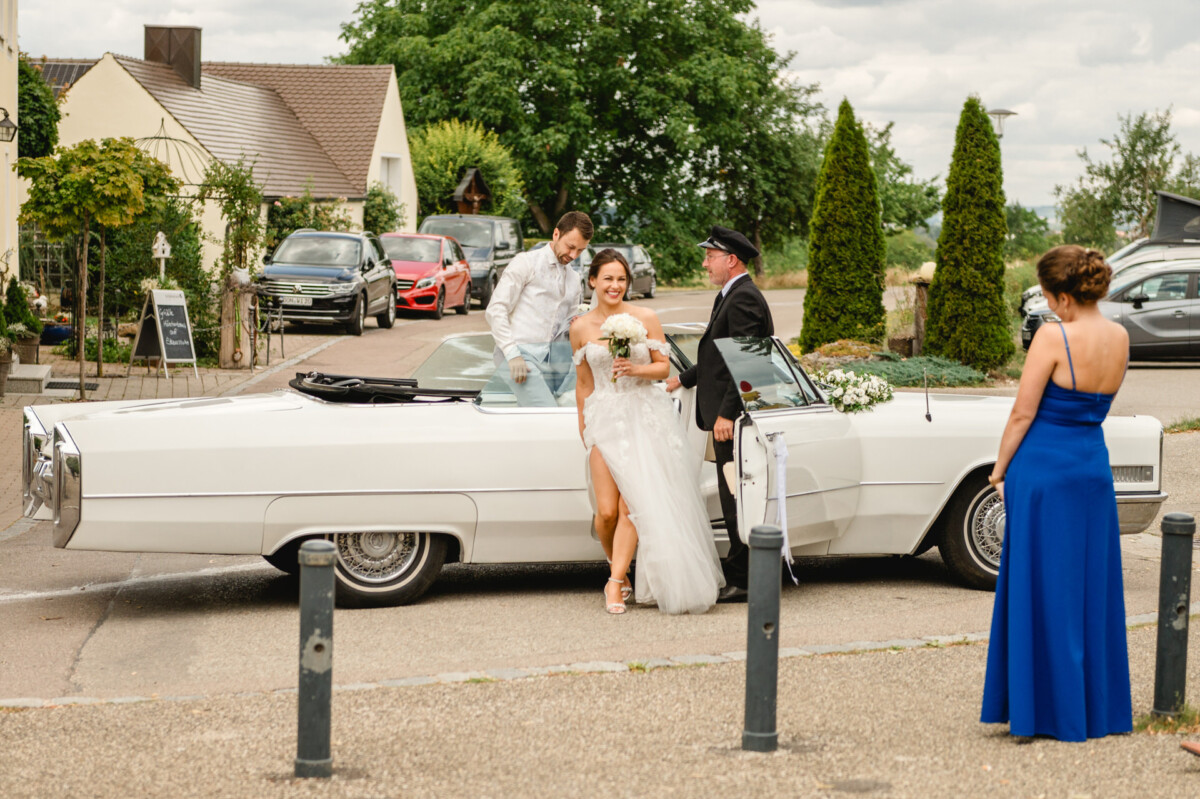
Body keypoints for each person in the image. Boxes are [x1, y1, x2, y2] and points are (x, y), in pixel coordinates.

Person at [981, 244, 1132, 742]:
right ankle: (1091, 710)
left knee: (1041, 584)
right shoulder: (1120, 337)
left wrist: (998, 470)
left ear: (1063, 296)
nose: (1047, 306)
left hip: (1043, 470)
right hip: (1092, 467)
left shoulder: (1053, 336)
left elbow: (1022, 413)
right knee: (1088, 586)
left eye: (1047, 296)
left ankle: (1041, 711)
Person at [571, 249, 724, 615]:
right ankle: (619, 568)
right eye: (608, 278)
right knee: (606, 512)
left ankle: (614, 583)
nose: (615, 285)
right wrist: (584, 427)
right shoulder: (580, 327)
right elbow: (584, 383)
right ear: (592, 281)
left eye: (621, 279)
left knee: (633, 505)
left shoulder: (645, 317)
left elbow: (663, 368)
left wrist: (634, 370)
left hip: (644, 415)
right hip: (604, 419)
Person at [664, 226, 773, 603]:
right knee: (733, 494)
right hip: (728, 415)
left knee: (737, 497)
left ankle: (744, 580)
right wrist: (682, 378)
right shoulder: (731, 294)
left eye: (710, 257)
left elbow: (748, 363)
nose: (705, 263)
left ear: (732, 260)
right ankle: (741, 571)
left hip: (735, 420)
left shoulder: (743, 299)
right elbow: (718, 357)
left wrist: (727, 413)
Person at [485, 211, 592, 406]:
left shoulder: (574, 279)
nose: (573, 255)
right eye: (570, 247)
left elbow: (568, 328)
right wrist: (512, 354)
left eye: (580, 251)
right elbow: (496, 309)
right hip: (517, 355)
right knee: (548, 411)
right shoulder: (525, 262)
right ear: (556, 234)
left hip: (552, 365)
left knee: (539, 414)